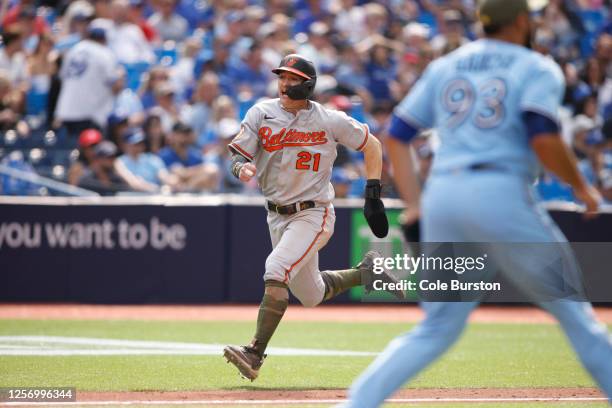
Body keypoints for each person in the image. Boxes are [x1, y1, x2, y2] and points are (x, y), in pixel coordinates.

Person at [343, 0, 612, 406]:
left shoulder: (447, 65)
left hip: (444, 198)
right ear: (522, 21)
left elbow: (397, 134)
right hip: (499, 193)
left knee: (436, 329)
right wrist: (582, 187)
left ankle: (354, 405)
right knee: (576, 317)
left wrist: (415, 206)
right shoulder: (536, 66)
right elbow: (542, 135)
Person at [223, 54, 402, 381]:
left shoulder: (328, 119)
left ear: (307, 84)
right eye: (281, 77)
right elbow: (237, 154)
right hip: (276, 214)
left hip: (313, 212)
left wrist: (373, 192)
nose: (284, 84)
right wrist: (240, 167)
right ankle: (368, 273)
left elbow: (373, 145)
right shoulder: (261, 113)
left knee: (275, 269)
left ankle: (254, 353)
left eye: (292, 78)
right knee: (311, 294)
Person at [54, 24, 121, 137]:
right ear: (104, 39)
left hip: (66, 112)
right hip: (89, 114)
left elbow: (61, 78)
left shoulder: (74, 50)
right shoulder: (104, 52)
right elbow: (116, 86)